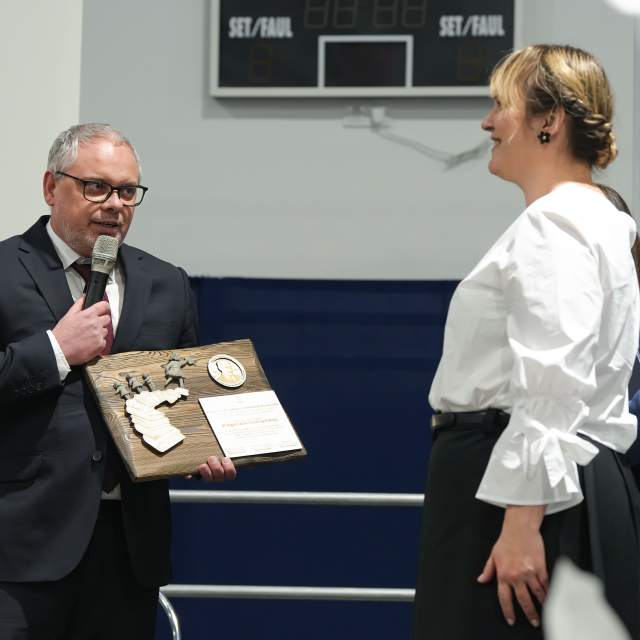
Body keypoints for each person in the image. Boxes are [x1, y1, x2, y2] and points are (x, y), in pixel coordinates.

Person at [411, 45, 640, 639]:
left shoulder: (554, 222)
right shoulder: (600, 220)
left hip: (520, 490)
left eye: (500, 105)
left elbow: (553, 381)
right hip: (568, 480)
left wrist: (520, 524)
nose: (487, 123)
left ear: (549, 121)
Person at [0, 123, 237, 639]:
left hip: (130, 548)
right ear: (51, 187)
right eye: (97, 187)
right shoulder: (3, 270)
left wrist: (205, 446)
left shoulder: (168, 282)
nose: (115, 204)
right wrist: (56, 350)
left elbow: (187, 399)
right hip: (19, 546)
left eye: (128, 191)